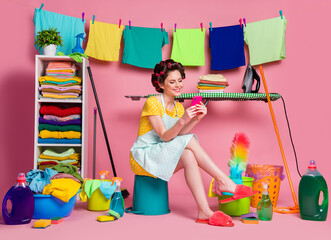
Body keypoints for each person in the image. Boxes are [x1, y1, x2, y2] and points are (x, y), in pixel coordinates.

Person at [130, 59, 254, 227]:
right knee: (188, 141)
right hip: (143, 156)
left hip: (161, 153)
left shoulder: (178, 107)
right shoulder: (153, 102)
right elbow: (165, 136)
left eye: (180, 80)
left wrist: (196, 119)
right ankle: (223, 181)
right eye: (172, 81)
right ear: (160, 84)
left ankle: (203, 211)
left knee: (188, 154)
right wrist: (183, 120)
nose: (178, 85)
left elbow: (179, 137)